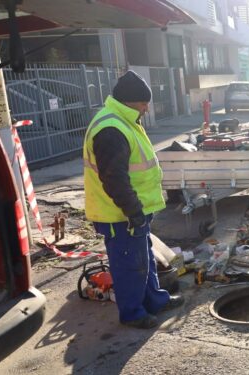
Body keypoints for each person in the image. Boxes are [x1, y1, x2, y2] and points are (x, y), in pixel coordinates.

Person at [83, 70, 183, 329]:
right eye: (143, 103)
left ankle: (154, 300)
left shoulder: (123, 121)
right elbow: (114, 178)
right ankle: (132, 313)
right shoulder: (111, 129)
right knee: (129, 264)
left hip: (131, 211)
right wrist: (133, 211)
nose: (146, 108)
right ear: (129, 101)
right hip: (119, 215)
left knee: (144, 258)